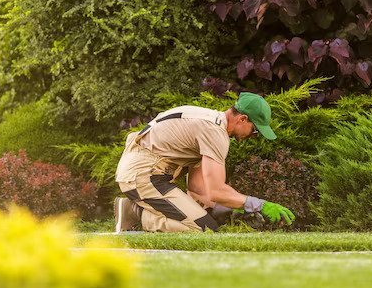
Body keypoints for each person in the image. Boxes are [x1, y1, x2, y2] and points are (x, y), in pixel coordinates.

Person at [113, 92, 295, 232]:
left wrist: (230, 209)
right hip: (144, 176)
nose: (253, 137)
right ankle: (135, 213)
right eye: (254, 131)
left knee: (208, 221)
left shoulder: (209, 123)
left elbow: (197, 188)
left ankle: (137, 210)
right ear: (242, 119)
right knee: (203, 229)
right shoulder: (214, 133)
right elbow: (216, 191)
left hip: (147, 173)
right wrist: (258, 205)